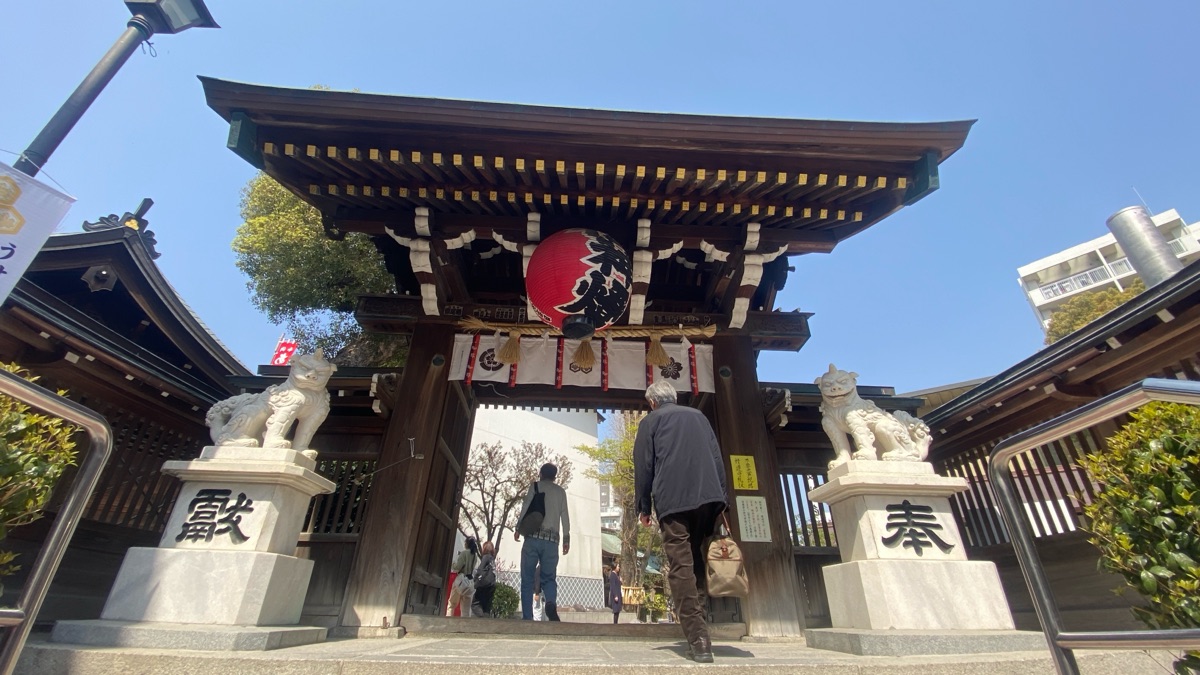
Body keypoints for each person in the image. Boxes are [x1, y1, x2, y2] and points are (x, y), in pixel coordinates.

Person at [634, 380, 728, 663]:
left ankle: (699, 639)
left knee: (680, 565)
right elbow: (717, 459)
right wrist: (722, 501)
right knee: (696, 561)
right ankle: (701, 625)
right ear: (674, 397)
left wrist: (644, 506)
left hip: (673, 499)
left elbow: (644, 466)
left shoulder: (650, 422)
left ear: (652, 402)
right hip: (707, 497)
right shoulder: (699, 417)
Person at [514, 462, 570, 621]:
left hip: (532, 538)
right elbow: (565, 516)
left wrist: (518, 527)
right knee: (549, 578)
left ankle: (527, 617)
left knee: (527, 579)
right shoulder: (560, 492)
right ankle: (550, 602)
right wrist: (566, 539)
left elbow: (525, 507)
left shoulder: (535, 486)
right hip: (552, 541)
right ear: (555, 476)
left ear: (541, 474)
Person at [447, 536, 480, 618]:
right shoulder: (475, 556)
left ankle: (448, 621)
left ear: (467, 543)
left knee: (451, 604)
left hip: (461, 581)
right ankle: (465, 625)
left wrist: (453, 563)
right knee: (466, 610)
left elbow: (457, 568)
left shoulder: (464, 553)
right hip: (470, 582)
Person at [472, 540, 497, 617]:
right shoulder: (492, 559)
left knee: (475, 604)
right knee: (486, 606)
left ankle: (482, 618)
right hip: (492, 584)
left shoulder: (485, 557)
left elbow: (480, 570)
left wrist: (475, 580)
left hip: (483, 584)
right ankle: (486, 620)